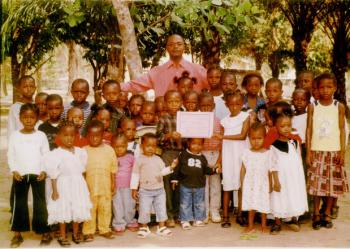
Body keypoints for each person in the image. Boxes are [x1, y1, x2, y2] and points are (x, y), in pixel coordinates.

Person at [306, 73, 349, 230]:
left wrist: (342, 152)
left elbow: (342, 129)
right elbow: (309, 129)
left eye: (329, 87)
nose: (325, 90)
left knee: (332, 186)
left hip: (334, 152)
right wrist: (309, 152)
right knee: (317, 186)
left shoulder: (339, 106)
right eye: (322, 87)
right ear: (317, 89)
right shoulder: (313, 106)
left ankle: (327, 213)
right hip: (317, 151)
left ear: (335, 88)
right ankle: (316, 214)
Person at [7, 103, 51, 247]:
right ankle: (18, 233)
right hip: (20, 174)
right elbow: (11, 155)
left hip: (38, 174)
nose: (28, 120)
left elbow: (46, 154)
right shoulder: (15, 136)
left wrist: (44, 170)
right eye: (25, 117)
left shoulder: (41, 135)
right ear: (20, 118)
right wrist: (14, 170)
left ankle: (44, 231)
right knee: (19, 203)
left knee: (40, 203)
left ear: (37, 118)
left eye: (32, 117)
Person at [43, 121, 91, 246]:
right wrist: (54, 190)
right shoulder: (56, 154)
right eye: (65, 135)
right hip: (62, 184)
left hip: (77, 183)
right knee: (62, 208)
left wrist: (85, 187)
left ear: (75, 135)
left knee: (77, 207)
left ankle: (75, 233)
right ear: (59, 136)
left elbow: (83, 171)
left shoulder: (81, 152)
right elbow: (53, 174)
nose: (69, 138)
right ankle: (63, 235)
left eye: (72, 135)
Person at [120, 34, 208, 97]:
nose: (175, 47)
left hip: (192, 117)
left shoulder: (197, 70)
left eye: (179, 44)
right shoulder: (157, 72)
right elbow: (135, 85)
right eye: (171, 45)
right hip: (164, 118)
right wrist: (115, 86)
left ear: (184, 47)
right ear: (167, 48)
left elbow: (214, 84)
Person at [130, 133, 178, 238]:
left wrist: (171, 167)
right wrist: (134, 189)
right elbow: (135, 175)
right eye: (148, 145)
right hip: (145, 190)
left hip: (159, 190)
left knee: (161, 209)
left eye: (153, 146)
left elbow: (162, 172)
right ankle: (144, 227)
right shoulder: (139, 160)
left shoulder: (158, 159)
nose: (150, 148)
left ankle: (161, 227)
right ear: (141, 146)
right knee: (144, 209)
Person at [269, 109, 308, 235]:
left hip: (294, 176)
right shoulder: (273, 145)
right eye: (282, 126)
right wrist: (275, 180)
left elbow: (298, 161)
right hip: (281, 177)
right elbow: (272, 165)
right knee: (279, 197)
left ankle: (294, 219)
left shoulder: (295, 142)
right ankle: (277, 222)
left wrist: (299, 178)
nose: (286, 128)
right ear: (276, 127)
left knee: (294, 195)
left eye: (289, 126)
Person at [172, 138, 220, 230]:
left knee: (199, 203)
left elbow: (206, 170)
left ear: (202, 145)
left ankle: (198, 219)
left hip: (199, 185)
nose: (196, 146)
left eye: (199, 144)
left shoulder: (202, 157)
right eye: (194, 144)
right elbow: (177, 168)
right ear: (189, 143)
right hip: (185, 184)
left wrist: (215, 170)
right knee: (185, 203)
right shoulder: (183, 154)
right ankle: (185, 220)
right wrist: (174, 179)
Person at [82, 120, 117, 241]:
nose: (94, 139)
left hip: (105, 186)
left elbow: (113, 169)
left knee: (105, 208)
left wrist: (113, 184)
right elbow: (81, 171)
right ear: (87, 135)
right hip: (89, 186)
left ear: (103, 136)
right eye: (91, 136)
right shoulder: (83, 150)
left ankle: (104, 229)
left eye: (97, 136)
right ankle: (88, 231)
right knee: (89, 208)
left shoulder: (109, 150)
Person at [219, 91, 250, 228]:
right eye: (231, 104)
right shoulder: (224, 121)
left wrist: (224, 137)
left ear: (242, 104)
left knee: (241, 185)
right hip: (228, 156)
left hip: (242, 155)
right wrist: (219, 159)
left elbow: (243, 136)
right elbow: (221, 143)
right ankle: (225, 216)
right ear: (227, 105)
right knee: (227, 186)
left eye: (238, 104)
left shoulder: (245, 116)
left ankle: (240, 214)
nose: (234, 107)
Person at [240, 123, 278, 234]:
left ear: (265, 138)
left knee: (263, 205)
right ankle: (250, 225)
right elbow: (243, 169)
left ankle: (263, 225)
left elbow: (270, 170)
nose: (256, 141)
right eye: (253, 138)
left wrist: (271, 184)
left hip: (263, 183)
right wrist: (242, 184)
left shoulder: (268, 153)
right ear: (249, 139)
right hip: (250, 183)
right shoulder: (246, 153)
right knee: (251, 205)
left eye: (259, 138)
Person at [156, 90, 183, 227]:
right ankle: (169, 215)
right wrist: (169, 135)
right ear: (166, 104)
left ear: (181, 102)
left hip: (182, 154)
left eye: (177, 101)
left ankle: (179, 213)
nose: (174, 104)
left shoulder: (185, 118)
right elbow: (158, 138)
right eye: (171, 102)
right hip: (167, 154)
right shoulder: (163, 118)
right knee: (167, 184)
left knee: (179, 184)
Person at [198, 92, 223, 223]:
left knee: (215, 184)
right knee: (203, 184)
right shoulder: (197, 121)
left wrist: (220, 161)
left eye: (209, 105)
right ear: (199, 106)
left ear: (213, 106)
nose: (206, 108)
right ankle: (204, 210)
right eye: (203, 106)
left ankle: (214, 210)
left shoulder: (219, 122)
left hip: (215, 154)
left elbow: (222, 143)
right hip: (202, 154)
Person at [111, 134, 138, 234]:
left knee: (130, 205)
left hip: (129, 186)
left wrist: (136, 185)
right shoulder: (111, 158)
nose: (119, 149)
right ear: (112, 146)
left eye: (122, 147)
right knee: (117, 206)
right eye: (116, 147)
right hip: (115, 187)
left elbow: (136, 171)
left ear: (126, 146)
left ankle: (130, 222)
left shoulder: (130, 157)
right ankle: (118, 224)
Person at [7, 76, 36, 140]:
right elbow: (11, 129)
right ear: (19, 89)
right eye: (25, 87)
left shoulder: (38, 105)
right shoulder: (14, 108)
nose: (29, 89)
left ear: (35, 88)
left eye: (31, 86)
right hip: (20, 142)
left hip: (37, 143)